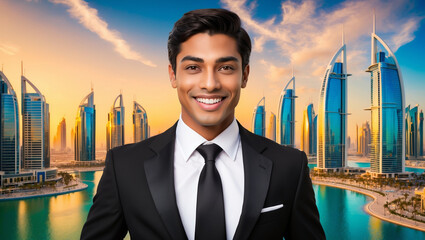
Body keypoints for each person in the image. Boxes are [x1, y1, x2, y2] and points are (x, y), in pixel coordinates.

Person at [81, 8, 325, 240]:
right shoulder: (125, 166)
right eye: (193, 67)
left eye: (226, 67)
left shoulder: (289, 166)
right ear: (173, 75)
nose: (210, 83)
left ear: (245, 75)